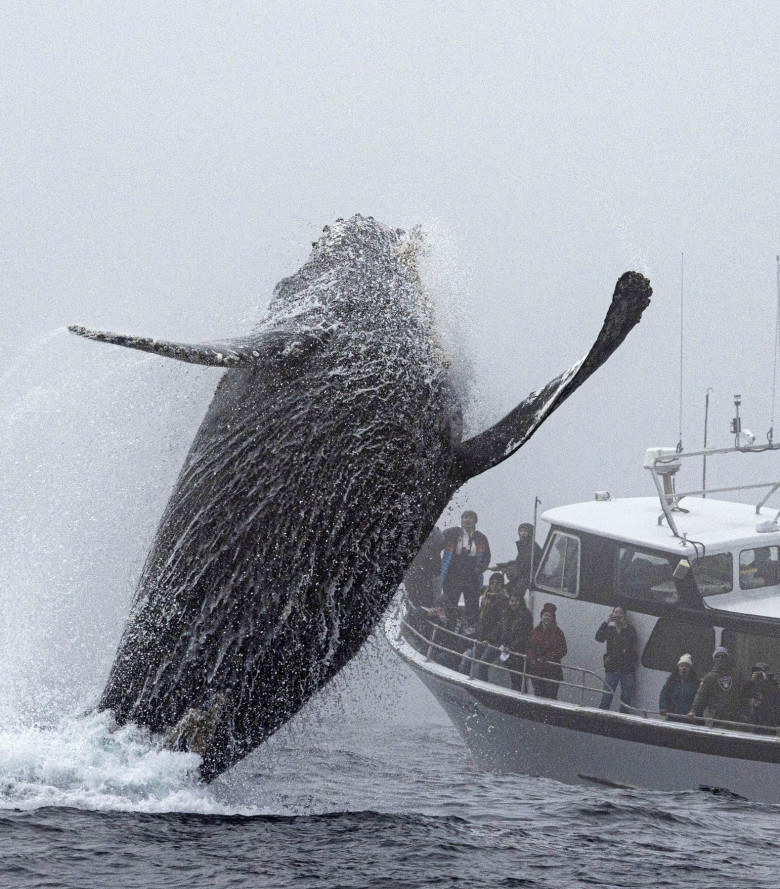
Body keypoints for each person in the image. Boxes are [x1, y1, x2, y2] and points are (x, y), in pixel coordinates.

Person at [440, 510, 491, 628]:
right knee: (450, 604)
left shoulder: (481, 537)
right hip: (453, 576)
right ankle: (447, 629)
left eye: (470, 518)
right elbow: (439, 541)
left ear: (475, 521)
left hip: (472, 577)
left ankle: (471, 633)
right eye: (465, 517)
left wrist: (480, 568)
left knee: (472, 606)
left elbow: (487, 557)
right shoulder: (452, 532)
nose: (467, 520)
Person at [458, 572, 508, 681]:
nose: (494, 585)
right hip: (482, 639)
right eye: (492, 583)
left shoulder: (502, 601)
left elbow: (501, 625)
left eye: (498, 583)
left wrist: (489, 639)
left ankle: (482, 690)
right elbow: (481, 620)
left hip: (495, 642)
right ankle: (461, 681)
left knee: (482, 666)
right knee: (467, 660)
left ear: (501, 586)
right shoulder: (486, 598)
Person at [595, 606, 638, 712]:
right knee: (607, 696)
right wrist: (606, 622)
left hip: (627, 668)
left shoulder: (630, 629)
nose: (617, 615)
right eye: (615, 613)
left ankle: (623, 718)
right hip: (612, 667)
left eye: (620, 613)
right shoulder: (610, 629)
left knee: (626, 697)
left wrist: (624, 626)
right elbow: (598, 638)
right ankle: (601, 716)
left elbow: (632, 641)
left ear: (624, 616)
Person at [688, 646, 743, 721]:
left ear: (727, 658)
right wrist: (693, 710)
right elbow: (701, 694)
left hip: (731, 717)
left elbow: (742, 691)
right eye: (718, 656)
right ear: (714, 659)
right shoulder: (710, 676)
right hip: (714, 716)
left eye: (723, 656)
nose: (720, 659)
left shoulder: (735, 675)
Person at [526, 602, 567, 699]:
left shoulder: (558, 632)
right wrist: (531, 657)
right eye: (544, 615)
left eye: (549, 615)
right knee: (538, 694)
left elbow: (563, 649)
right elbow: (528, 646)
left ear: (553, 618)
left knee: (550, 696)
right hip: (536, 669)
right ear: (541, 616)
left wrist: (548, 658)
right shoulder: (535, 631)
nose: (546, 617)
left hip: (552, 671)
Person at [494, 523, 543, 598]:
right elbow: (517, 563)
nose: (522, 533)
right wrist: (500, 566)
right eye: (521, 531)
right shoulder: (524, 546)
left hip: (529, 578)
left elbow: (524, 566)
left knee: (514, 593)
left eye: (525, 531)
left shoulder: (533, 547)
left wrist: (512, 570)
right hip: (522, 577)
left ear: (530, 532)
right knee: (504, 588)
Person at [500, 589, 534, 691]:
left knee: (519, 677)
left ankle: (520, 694)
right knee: (514, 677)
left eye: (516, 601)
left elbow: (524, 635)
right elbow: (505, 631)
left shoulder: (526, 615)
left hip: (519, 651)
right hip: (509, 650)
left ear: (520, 602)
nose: (513, 603)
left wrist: (512, 647)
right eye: (511, 601)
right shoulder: (507, 614)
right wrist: (504, 645)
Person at [404, 526, 444, 608]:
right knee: (414, 598)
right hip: (417, 571)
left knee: (429, 598)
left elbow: (440, 544)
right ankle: (416, 613)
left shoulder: (436, 532)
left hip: (429, 571)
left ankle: (422, 613)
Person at [743, 662, 780, 726]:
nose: (758, 673)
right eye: (756, 671)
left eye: (761, 671)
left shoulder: (773, 685)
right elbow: (743, 694)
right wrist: (751, 681)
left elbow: (774, 699)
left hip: (768, 721)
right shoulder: (752, 684)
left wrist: (766, 680)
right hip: (753, 721)